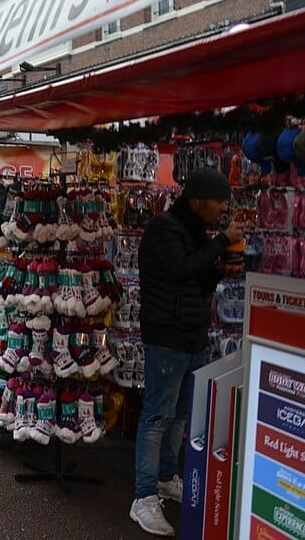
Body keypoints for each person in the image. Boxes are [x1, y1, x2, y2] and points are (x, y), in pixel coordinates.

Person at [129, 168, 244, 537]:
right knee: (158, 416)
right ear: (198, 200)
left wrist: (222, 263)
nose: (223, 207)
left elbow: (196, 278)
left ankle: (165, 477)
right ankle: (143, 496)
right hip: (167, 336)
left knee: (178, 415)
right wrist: (220, 242)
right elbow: (178, 270)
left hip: (191, 335)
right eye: (219, 200)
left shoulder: (193, 231)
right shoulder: (164, 228)